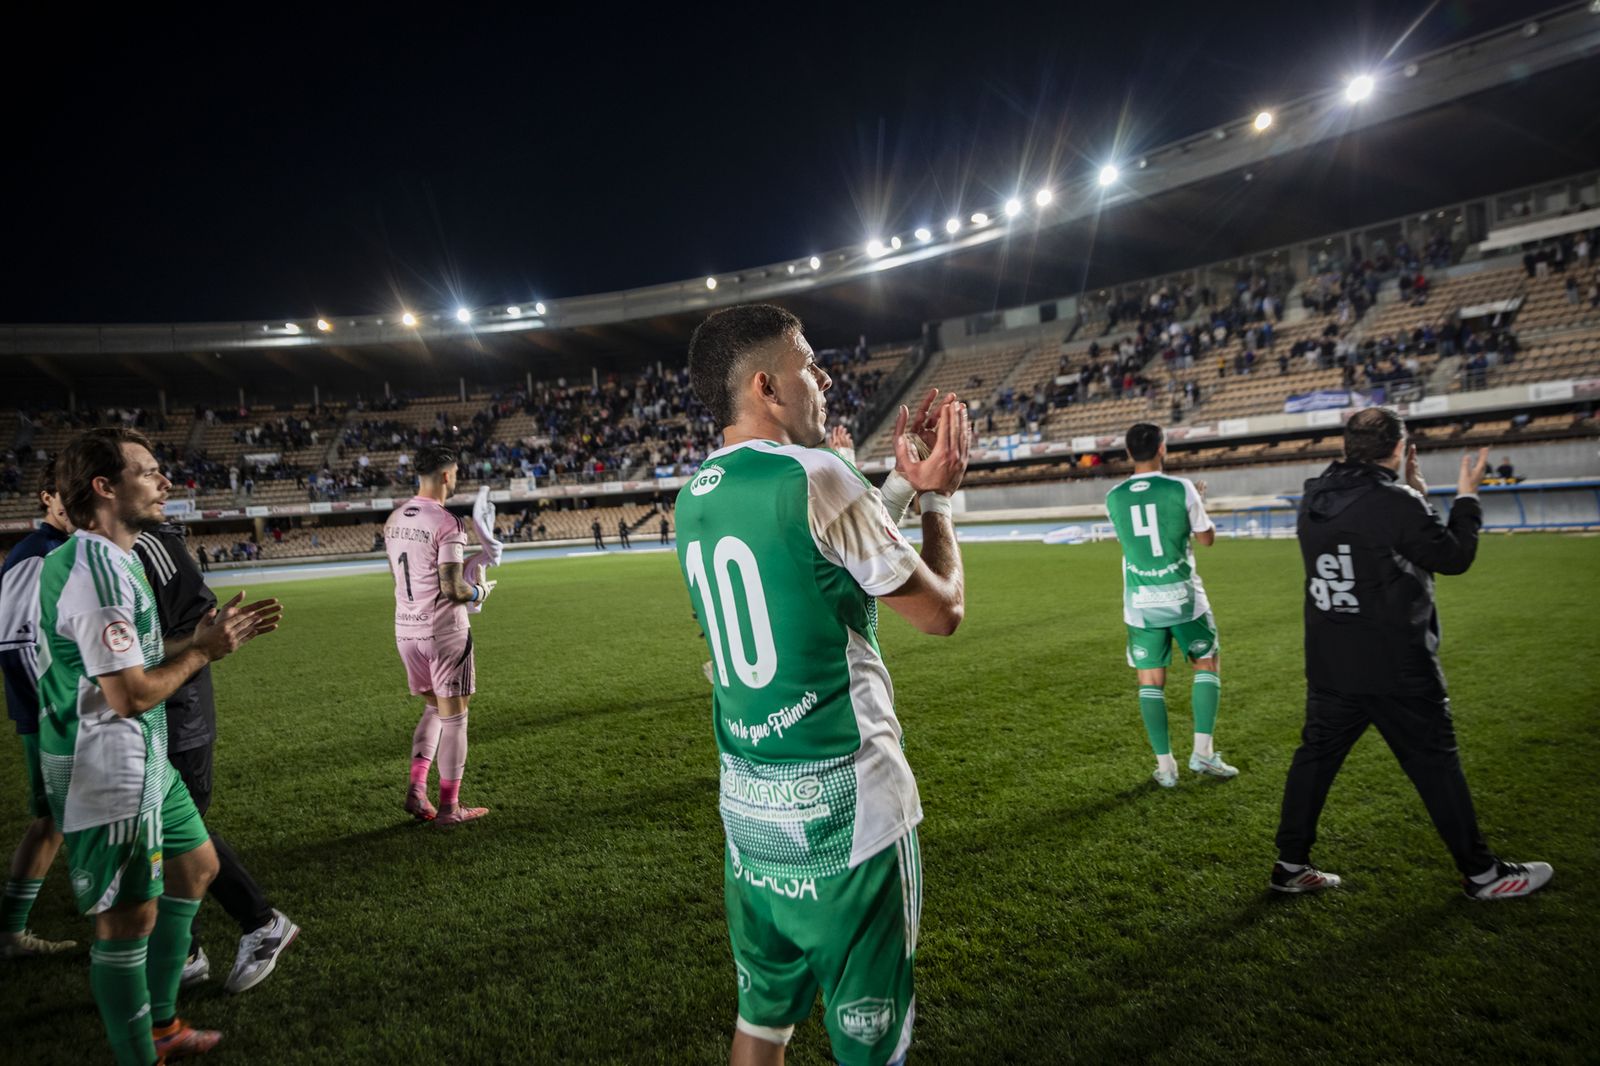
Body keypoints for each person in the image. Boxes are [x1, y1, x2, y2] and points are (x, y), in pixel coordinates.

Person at [675, 304, 969, 1066]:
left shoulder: (694, 496)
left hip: (753, 823)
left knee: (760, 1027)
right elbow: (942, 611)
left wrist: (897, 488)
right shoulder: (819, 475)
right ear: (768, 387)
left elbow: (827, 566)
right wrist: (938, 498)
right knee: (871, 1052)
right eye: (809, 363)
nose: (825, 378)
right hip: (851, 823)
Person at [36, 427, 280, 1063]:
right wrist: (203, 653)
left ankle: (164, 1025)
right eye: (148, 472)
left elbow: (132, 660)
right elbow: (130, 695)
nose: (165, 481)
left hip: (144, 759)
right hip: (105, 766)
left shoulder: (115, 558)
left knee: (196, 868)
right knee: (127, 922)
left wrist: (194, 640)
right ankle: (139, 1052)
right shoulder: (95, 573)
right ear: (104, 487)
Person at [1271, 408, 1552, 899]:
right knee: (1436, 763)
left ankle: (1290, 864)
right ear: (1400, 449)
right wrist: (1466, 496)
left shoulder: (1314, 493)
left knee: (1315, 760)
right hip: (1395, 663)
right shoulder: (1393, 501)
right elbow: (1452, 556)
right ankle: (1483, 875)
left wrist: (1413, 496)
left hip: (1331, 659)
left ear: (1347, 447)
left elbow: (1380, 538)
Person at [132, 524, 298, 993]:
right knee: (157, 834)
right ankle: (190, 950)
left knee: (178, 830)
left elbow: (199, 633)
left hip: (177, 714)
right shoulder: (96, 549)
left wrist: (125, 668)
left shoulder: (150, 543)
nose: (164, 488)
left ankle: (255, 924)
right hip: (145, 711)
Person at [1105, 424, 1236, 787]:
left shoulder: (1114, 496)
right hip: (1183, 598)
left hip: (1140, 602)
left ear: (1128, 453)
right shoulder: (1182, 488)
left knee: (1150, 680)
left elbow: (1132, 540)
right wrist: (1199, 505)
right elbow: (1206, 539)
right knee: (1206, 662)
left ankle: (1166, 769)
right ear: (1162, 448)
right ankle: (1203, 754)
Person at [384, 445, 494, 827]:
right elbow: (452, 588)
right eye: (456, 473)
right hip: (444, 632)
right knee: (456, 718)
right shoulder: (448, 522)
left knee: (433, 707)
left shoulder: (394, 518)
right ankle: (450, 808)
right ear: (447, 475)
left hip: (405, 630)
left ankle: (417, 789)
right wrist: (479, 592)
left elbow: (413, 574)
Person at [0, 457, 77, 958]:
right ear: (48, 498)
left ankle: (11, 932)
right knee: (60, 818)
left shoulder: (63, 549)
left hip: (59, 711)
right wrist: (53, 709)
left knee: (53, 820)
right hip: (50, 717)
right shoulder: (35, 554)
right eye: (66, 494)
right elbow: (14, 644)